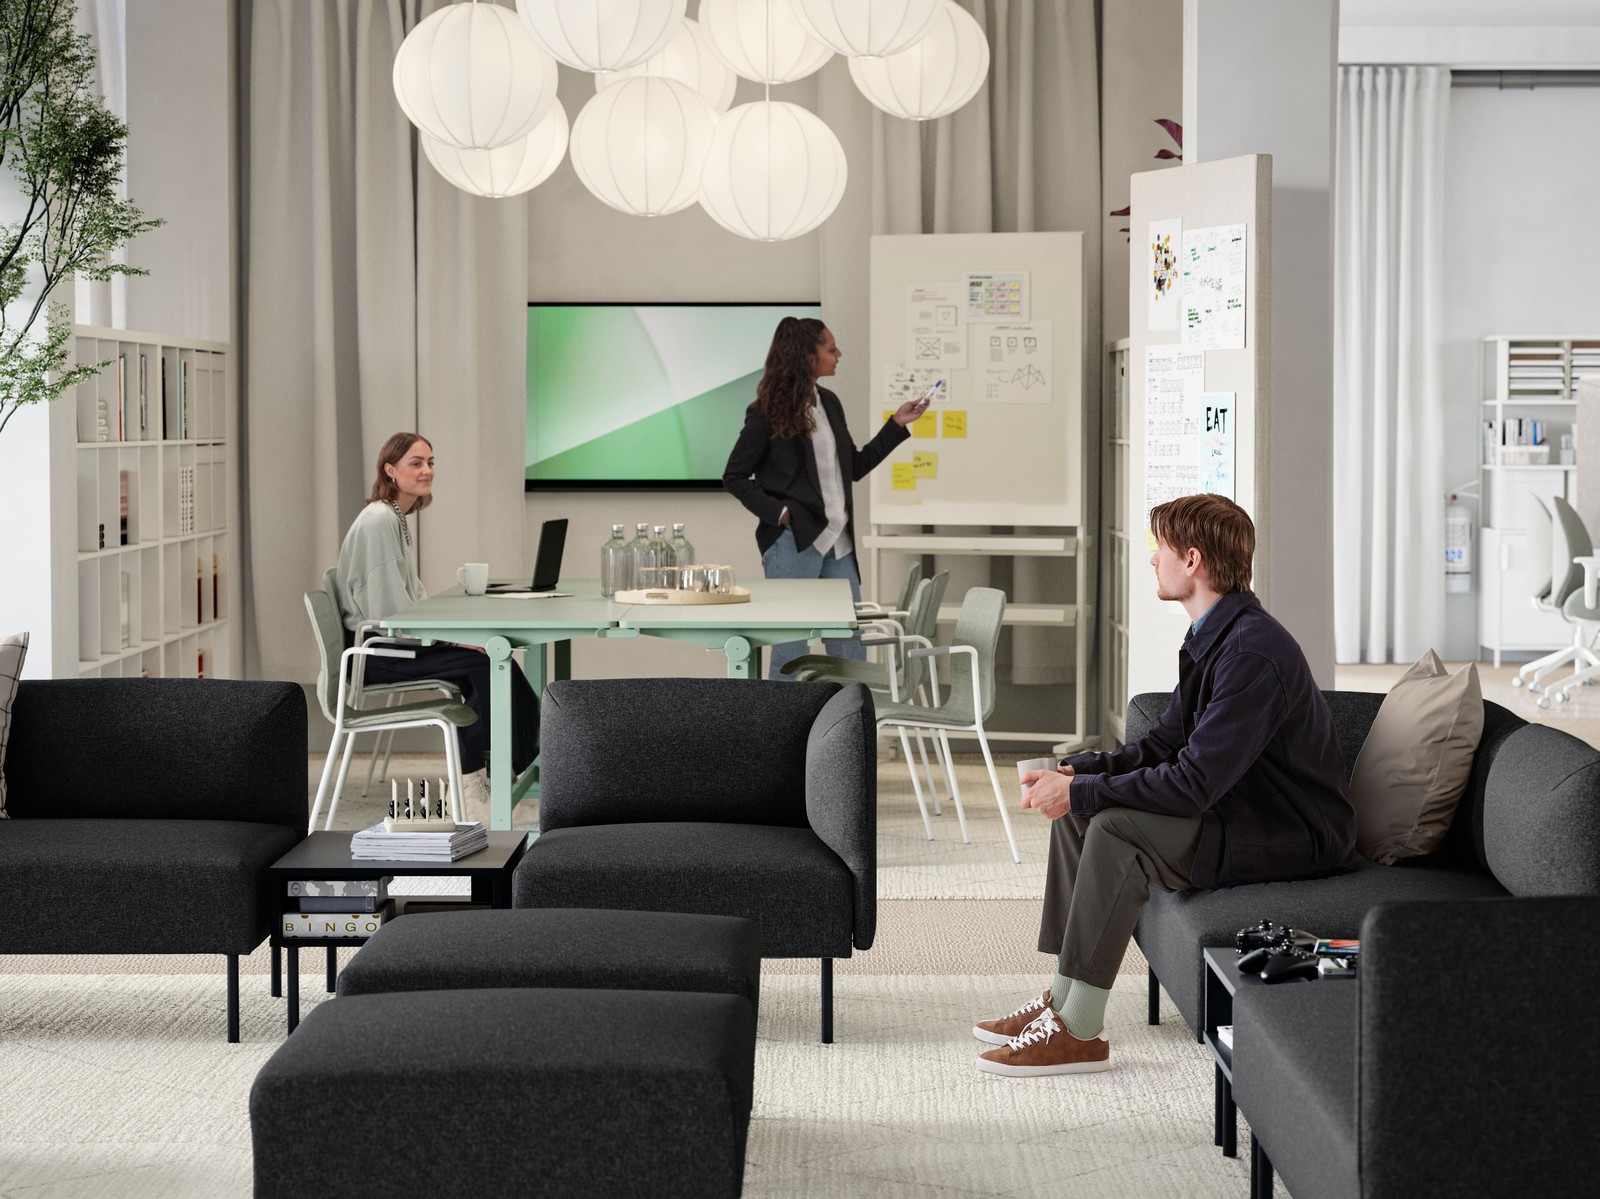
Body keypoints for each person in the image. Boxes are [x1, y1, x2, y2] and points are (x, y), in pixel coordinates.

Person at [973, 494, 1355, 1077]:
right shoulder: (1214, 635)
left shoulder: (1252, 653)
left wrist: (1080, 793)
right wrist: (1080, 772)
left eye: (1162, 549)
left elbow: (1194, 783)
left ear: (1194, 560)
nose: (1153, 559)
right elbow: (1162, 745)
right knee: (1082, 815)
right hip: (1241, 810)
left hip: (1289, 832)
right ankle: (1062, 1001)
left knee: (1113, 827)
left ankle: (1078, 1030)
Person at [331, 431, 539, 823]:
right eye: (416, 463)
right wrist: (453, 639)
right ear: (390, 470)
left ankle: (487, 784)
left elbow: (404, 600)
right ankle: (491, 783)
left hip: (389, 643)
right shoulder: (379, 520)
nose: (427, 470)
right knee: (486, 663)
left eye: (430, 462)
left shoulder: (392, 516)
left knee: (487, 664)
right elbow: (389, 612)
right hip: (377, 652)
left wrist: (453, 636)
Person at [723, 316, 931, 679]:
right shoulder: (765, 412)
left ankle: (848, 728)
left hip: (839, 544)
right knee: (791, 650)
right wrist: (782, 514)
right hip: (793, 543)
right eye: (831, 348)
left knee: (849, 646)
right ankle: (783, 734)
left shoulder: (829, 402)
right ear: (807, 356)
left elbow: (855, 465)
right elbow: (735, 476)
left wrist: (896, 425)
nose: (839, 354)